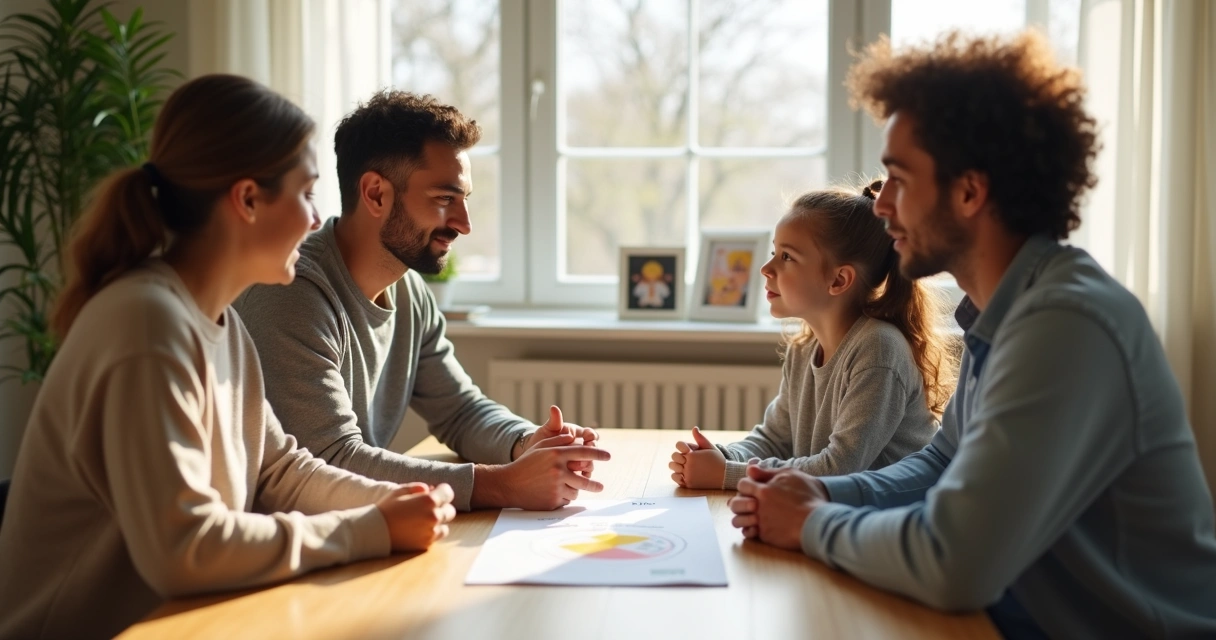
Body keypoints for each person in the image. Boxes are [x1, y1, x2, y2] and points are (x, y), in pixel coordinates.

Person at [727, 31, 1216, 638]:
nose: (881, 209)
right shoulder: (1007, 312)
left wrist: (808, 523)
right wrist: (822, 494)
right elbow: (940, 461)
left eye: (899, 181)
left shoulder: (1065, 326)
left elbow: (954, 562)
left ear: (969, 191)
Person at [0, 75, 459, 640]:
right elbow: (183, 549)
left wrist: (398, 502)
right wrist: (371, 528)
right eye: (306, 192)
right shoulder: (145, 324)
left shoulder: (224, 323)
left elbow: (281, 471)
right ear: (246, 200)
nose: (317, 219)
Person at [232, 91, 609, 513]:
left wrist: (527, 443)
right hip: (295, 544)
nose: (464, 225)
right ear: (375, 194)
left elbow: (460, 411)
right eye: (445, 200)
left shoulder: (409, 290)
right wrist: (502, 485)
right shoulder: (292, 296)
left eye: (464, 200)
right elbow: (329, 461)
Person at [669, 183, 951, 490]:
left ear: (838, 279)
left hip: (890, 521)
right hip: (834, 514)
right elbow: (775, 440)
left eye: (787, 257)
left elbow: (840, 468)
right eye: (774, 252)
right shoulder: (804, 348)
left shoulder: (878, 349)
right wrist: (721, 456)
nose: (766, 268)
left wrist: (727, 474)